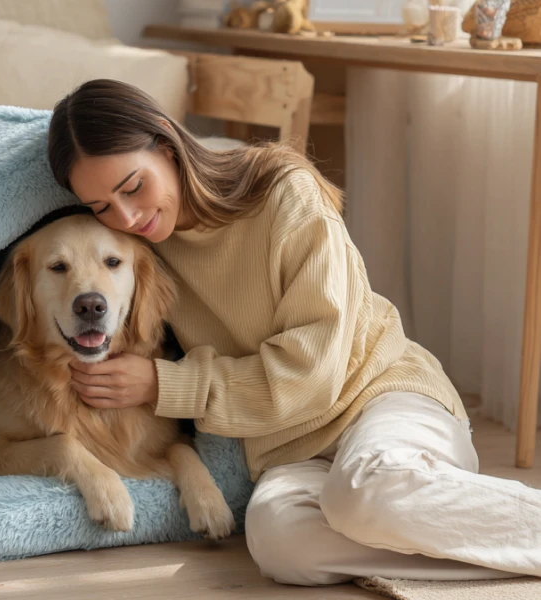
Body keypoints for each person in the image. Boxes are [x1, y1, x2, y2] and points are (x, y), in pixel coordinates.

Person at [46, 78, 540, 586]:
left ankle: (462, 513)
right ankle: (481, 538)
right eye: (102, 206)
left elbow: (316, 371)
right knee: (280, 543)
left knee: (367, 488)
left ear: (168, 147)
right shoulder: (140, 252)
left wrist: (163, 383)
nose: (127, 216)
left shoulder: (284, 192)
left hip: (380, 398)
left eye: (133, 186)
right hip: (292, 449)